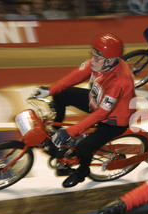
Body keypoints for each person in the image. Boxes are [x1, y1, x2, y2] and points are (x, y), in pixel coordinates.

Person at [33, 34, 136, 188]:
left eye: (97, 57)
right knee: (60, 94)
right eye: (92, 55)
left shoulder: (120, 81)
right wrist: (50, 90)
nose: (92, 61)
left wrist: (70, 132)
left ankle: (82, 172)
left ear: (109, 60)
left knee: (84, 148)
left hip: (113, 120)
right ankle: (57, 134)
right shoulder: (102, 61)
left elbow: (102, 113)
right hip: (96, 100)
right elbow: (77, 75)